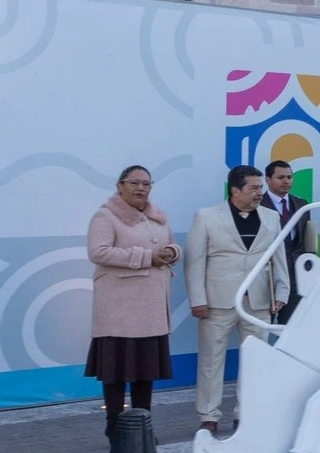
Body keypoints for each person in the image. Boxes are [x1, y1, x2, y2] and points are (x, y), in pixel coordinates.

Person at [186, 165, 285, 434]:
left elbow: (278, 258)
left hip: (259, 300)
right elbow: (194, 262)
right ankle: (208, 415)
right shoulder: (206, 217)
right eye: (253, 188)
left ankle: (247, 412)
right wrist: (197, 299)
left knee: (255, 360)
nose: (259, 193)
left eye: (260, 188)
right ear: (235, 190)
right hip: (217, 301)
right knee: (210, 360)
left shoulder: (271, 217)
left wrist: (282, 292)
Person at [84, 166, 177, 438]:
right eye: (134, 183)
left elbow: (169, 245)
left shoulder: (157, 216)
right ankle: (115, 426)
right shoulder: (105, 216)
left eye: (146, 184)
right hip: (119, 309)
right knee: (116, 373)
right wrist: (147, 257)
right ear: (120, 185)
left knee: (145, 372)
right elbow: (98, 252)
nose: (141, 188)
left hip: (150, 308)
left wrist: (172, 251)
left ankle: (142, 427)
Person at [263, 159, 310, 323]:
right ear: (268, 180)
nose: (286, 181)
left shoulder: (301, 204)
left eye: (289, 177)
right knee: (263, 325)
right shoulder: (257, 205)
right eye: (281, 177)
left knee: (290, 326)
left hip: (296, 276)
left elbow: (307, 242)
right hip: (268, 278)